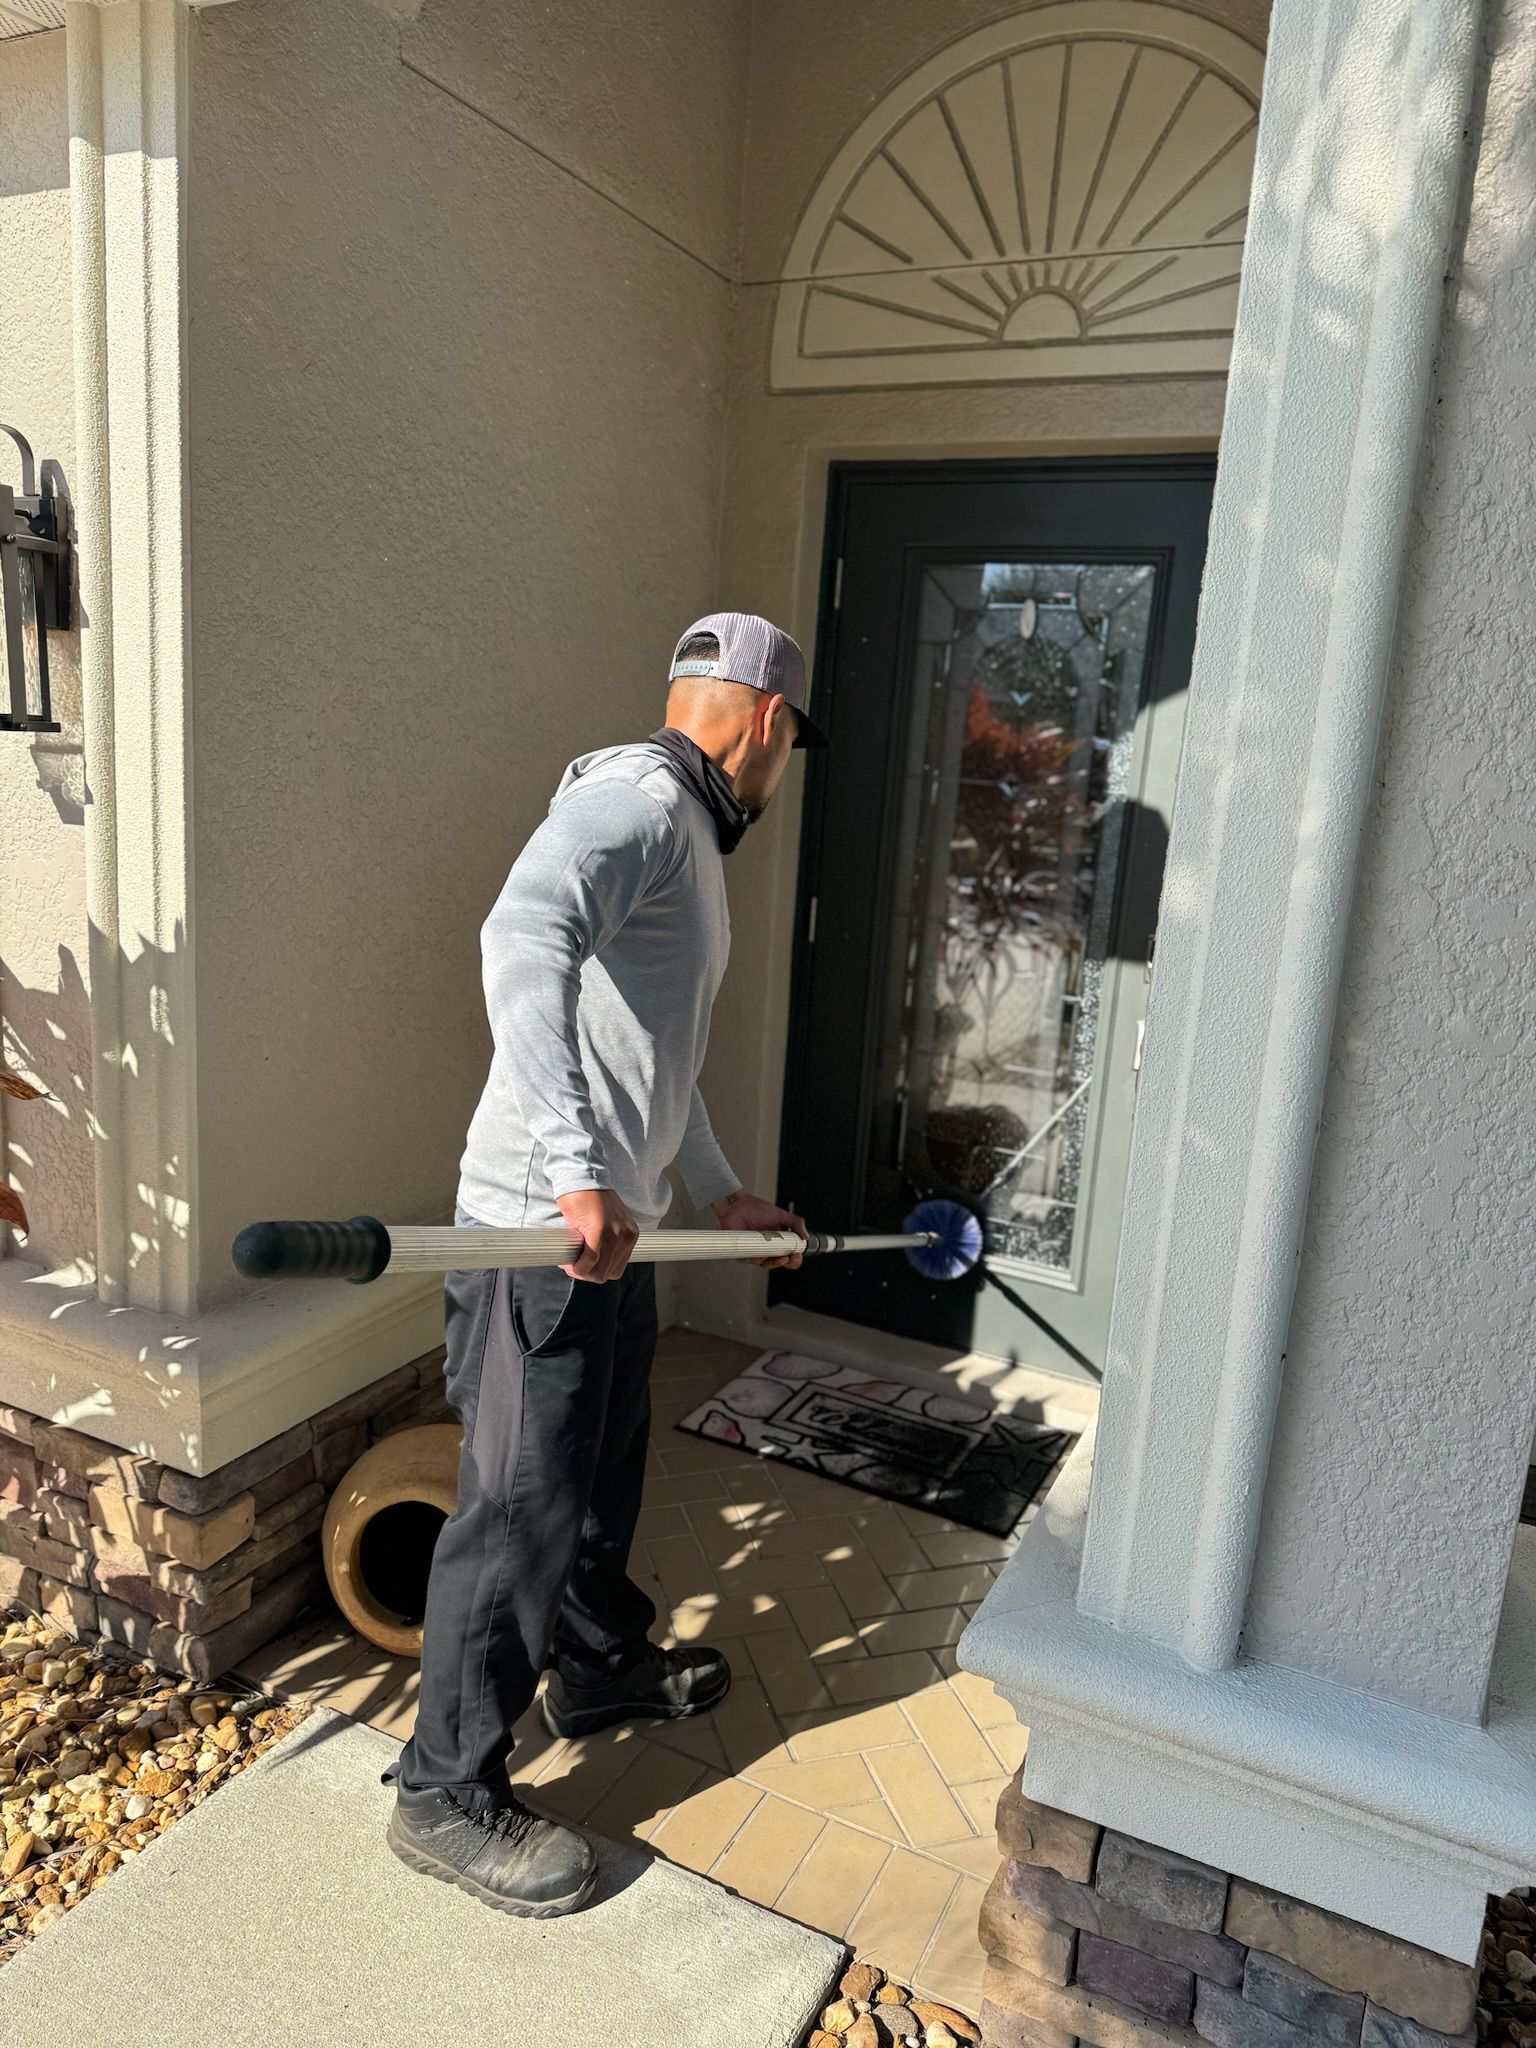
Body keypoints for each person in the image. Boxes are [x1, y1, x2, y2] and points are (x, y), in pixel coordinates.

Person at [382, 611, 830, 1917]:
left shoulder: (681, 832)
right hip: (541, 1232)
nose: (782, 764)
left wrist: (716, 1191)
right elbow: (519, 941)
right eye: (790, 741)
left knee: (598, 1469)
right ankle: (442, 1793)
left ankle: (595, 1665)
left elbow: (653, 1047)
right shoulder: (639, 805)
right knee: (516, 1507)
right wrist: (578, 1172)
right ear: (764, 722)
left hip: (609, 1233)